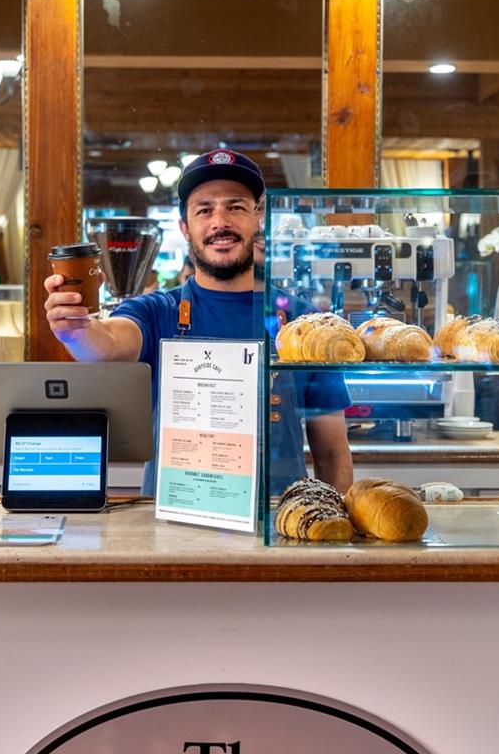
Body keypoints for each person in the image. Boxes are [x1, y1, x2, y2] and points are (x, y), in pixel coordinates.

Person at [43, 148, 353, 496]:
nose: (220, 222)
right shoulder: (156, 311)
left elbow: (332, 455)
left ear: (259, 219)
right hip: (173, 533)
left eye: (235, 207)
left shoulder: (306, 325)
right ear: (185, 228)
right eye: (204, 210)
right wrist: (76, 330)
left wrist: (329, 533)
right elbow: (107, 343)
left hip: (277, 526)